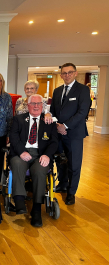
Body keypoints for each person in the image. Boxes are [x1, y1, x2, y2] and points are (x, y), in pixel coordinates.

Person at [9, 94, 58, 227]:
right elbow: (13, 137)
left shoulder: (49, 121)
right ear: (28, 106)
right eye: (33, 104)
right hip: (22, 152)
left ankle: (36, 209)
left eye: (39, 104)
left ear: (42, 106)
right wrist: (21, 152)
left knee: (40, 170)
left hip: (41, 154)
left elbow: (54, 142)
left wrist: (47, 155)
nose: (36, 106)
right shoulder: (18, 119)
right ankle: (19, 200)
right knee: (17, 164)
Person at [50, 63, 91, 205]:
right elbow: (53, 111)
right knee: (60, 161)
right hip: (58, 133)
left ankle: (71, 192)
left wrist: (65, 126)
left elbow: (82, 112)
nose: (67, 75)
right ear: (61, 75)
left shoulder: (83, 90)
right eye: (64, 73)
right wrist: (57, 125)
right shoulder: (57, 91)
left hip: (74, 133)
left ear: (75, 73)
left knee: (74, 164)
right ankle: (62, 184)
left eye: (70, 72)